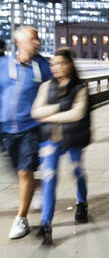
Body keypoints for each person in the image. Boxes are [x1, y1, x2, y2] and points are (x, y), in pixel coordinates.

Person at [31, 48, 91, 245]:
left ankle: (81, 202)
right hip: (51, 139)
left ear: (70, 65)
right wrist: (60, 107)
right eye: (53, 64)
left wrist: (47, 116)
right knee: (49, 178)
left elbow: (77, 114)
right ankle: (46, 224)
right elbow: (35, 111)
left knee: (77, 171)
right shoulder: (46, 86)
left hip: (73, 137)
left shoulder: (80, 87)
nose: (56, 68)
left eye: (60, 63)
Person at [0, 26, 52, 239]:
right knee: (18, 173)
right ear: (19, 42)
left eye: (38, 39)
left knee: (24, 172)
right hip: (5, 129)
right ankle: (38, 187)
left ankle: (21, 218)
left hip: (30, 129)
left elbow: (56, 91)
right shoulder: (4, 65)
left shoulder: (44, 67)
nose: (37, 43)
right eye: (33, 39)